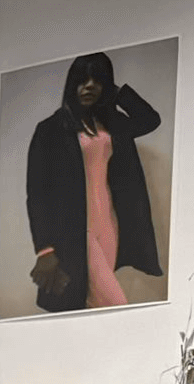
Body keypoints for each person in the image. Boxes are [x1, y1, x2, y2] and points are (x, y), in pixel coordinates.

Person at [25, 51, 165, 313]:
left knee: (92, 307)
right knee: (116, 306)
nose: (89, 86)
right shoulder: (51, 129)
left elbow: (150, 119)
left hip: (110, 225)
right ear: (71, 84)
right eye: (83, 80)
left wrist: (116, 92)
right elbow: (37, 194)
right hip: (75, 232)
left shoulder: (111, 124)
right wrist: (43, 249)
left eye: (96, 80)